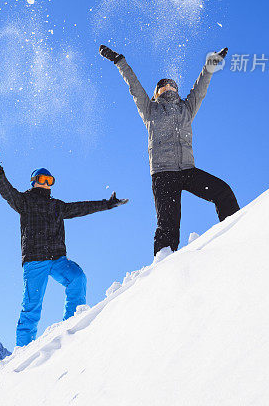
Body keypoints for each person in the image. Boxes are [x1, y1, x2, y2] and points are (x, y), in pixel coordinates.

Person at [99, 45, 239, 257]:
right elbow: (134, 87)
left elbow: (200, 88)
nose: (168, 88)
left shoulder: (186, 108)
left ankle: (238, 233)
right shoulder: (150, 109)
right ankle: (162, 267)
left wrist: (210, 65)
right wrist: (120, 61)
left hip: (187, 170)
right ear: (156, 94)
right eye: (163, 87)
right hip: (163, 174)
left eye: (172, 86)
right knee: (168, 225)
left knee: (223, 191)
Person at [0, 149, 128, 346]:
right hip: (35, 260)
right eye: (42, 179)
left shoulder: (56, 206)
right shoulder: (24, 201)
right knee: (32, 306)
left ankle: (72, 324)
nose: (45, 183)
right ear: (33, 181)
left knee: (77, 278)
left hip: (58, 259)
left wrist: (108, 204)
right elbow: (6, 190)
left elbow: (82, 208)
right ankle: (22, 350)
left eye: (49, 180)